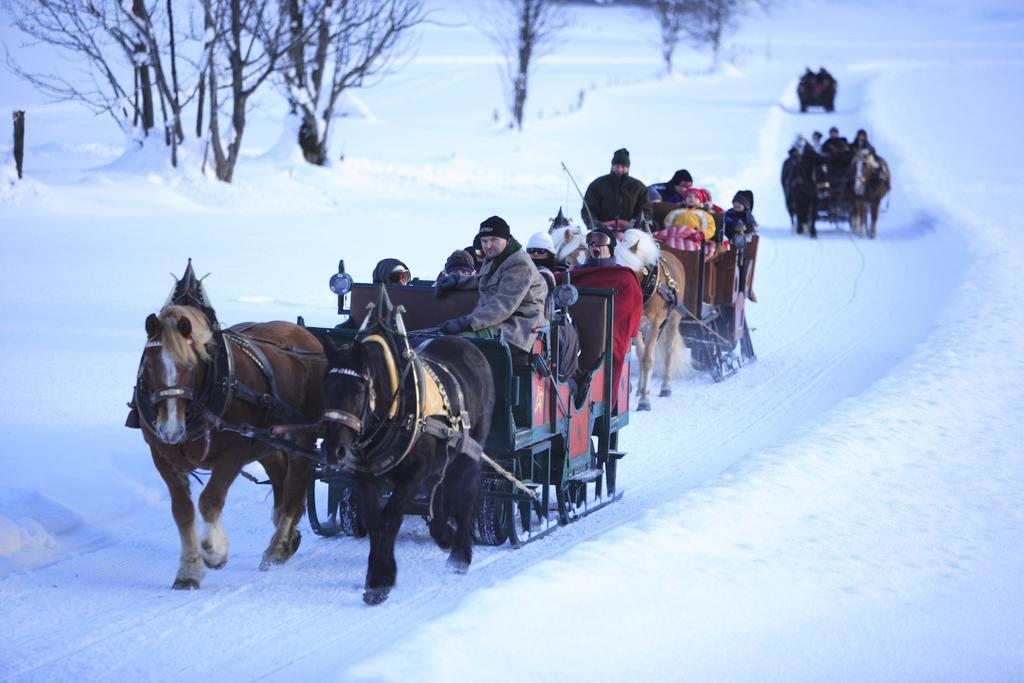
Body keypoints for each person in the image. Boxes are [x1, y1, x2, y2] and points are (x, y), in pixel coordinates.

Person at [436, 216, 547, 353]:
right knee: (437, 337)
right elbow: (483, 279)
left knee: (458, 342)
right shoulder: (498, 256)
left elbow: (502, 306)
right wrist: (457, 281)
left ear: (506, 239)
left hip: (515, 329)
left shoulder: (519, 264)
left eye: (494, 240)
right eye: (484, 241)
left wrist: (465, 322)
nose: (488, 245)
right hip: (495, 323)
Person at [581, 148, 653, 230]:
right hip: (602, 232)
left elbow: (646, 210)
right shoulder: (597, 185)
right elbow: (588, 209)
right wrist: (595, 223)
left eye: (623, 167)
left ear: (628, 167)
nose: (619, 170)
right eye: (617, 166)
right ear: (612, 166)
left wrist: (635, 223)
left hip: (632, 232)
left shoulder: (639, 187)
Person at [655, 188, 716, 253]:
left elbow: (709, 228)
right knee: (668, 243)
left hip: (693, 236)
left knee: (692, 246)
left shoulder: (704, 214)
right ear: (684, 200)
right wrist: (674, 231)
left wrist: (700, 234)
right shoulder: (675, 212)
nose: (692, 199)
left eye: (696, 197)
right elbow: (668, 223)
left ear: (700, 201)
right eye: (689, 197)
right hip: (675, 235)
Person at [525, 231, 559, 295]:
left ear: (549, 253)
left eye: (541, 251)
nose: (535, 254)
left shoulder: (560, 272)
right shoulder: (520, 270)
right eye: (531, 250)